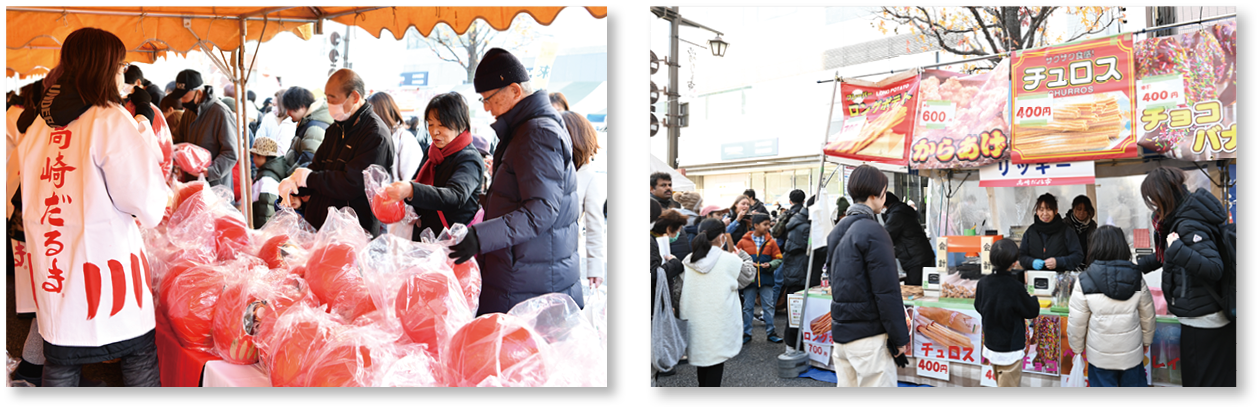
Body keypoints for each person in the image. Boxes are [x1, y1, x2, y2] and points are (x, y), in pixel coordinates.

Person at [16, 27, 167, 387]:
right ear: (105, 67)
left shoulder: (39, 123)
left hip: (58, 272)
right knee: (138, 359)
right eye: (121, 65)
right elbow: (146, 203)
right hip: (108, 270)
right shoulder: (109, 119)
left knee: (62, 362)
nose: (123, 74)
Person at [444, 48, 583, 314]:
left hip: (530, 278)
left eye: (489, 99)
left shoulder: (537, 133)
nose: (485, 107)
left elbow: (541, 211)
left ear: (515, 91)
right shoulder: (525, 129)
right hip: (525, 269)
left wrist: (481, 235)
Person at [1135, 166, 1232, 387]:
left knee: (1200, 381)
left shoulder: (1188, 223)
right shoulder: (1184, 217)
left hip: (1205, 321)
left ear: (1163, 195)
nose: (1153, 206)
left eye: (1153, 199)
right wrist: (1135, 266)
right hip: (1202, 316)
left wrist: (1178, 249)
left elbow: (1213, 267)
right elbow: (1166, 256)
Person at [277, 68, 394, 237]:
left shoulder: (375, 135)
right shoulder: (335, 129)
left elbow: (353, 184)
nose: (329, 104)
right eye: (327, 98)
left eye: (333, 99)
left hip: (351, 233)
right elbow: (317, 166)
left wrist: (309, 179)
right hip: (321, 226)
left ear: (354, 97)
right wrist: (296, 186)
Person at [825, 165, 908, 387]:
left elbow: (833, 281)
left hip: (842, 336)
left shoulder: (837, 230)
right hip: (868, 339)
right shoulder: (874, 231)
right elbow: (887, 291)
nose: (885, 197)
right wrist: (900, 338)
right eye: (884, 191)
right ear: (874, 194)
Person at [379, 92, 484, 240]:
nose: (435, 131)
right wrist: (402, 189)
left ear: (461, 124)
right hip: (424, 239)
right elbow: (420, 181)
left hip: (450, 244)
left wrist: (411, 189)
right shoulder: (432, 150)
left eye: (442, 125)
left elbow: (455, 196)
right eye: (431, 124)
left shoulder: (469, 159)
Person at [1068, 225, 1156, 387]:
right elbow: (1148, 315)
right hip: (1132, 356)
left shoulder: (1085, 279)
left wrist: (1077, 349)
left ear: (1095, 247)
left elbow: (1077, 321)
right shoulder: (1136, 276)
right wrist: (1146, 342)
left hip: (1100, 359)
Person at [680, 219, 758, 387]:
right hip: (719, 319)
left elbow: (679, 288)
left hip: (694, 319)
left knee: (702, 360)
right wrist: (743, 256)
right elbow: (748, 277)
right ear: (722, 237)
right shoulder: (729, 260)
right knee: (716, 362)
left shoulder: (689, 260)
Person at [974, 239, 1041, 387]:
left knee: (1001, 382)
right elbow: (1032, 311)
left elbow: (978, 306)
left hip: (991, 344)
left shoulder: (983, 283)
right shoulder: (1015, 287)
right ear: (1014, 262)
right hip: (1010, 348)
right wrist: (1034, 298)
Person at [168, 69, 238, 189]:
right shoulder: (188, 113)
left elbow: (230, 153)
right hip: (191, 184)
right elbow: (179, 139)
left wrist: (209, 171)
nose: (182, 102)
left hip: (215, 187)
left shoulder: (221, 113)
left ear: (199, 93)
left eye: (184, 97)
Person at [561, 111, 606, 288]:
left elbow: (595, 226)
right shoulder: (545, 168)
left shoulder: (589, 177)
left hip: (567, 256)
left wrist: (595, 268)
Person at [781, 195, 822, 352]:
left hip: (799, 273)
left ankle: (795, 346)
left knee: (797, 312)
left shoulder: (800, 222)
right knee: (796, 313)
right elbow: (817, 250)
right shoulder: (806, 227)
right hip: (800, 275)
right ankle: (792, 347)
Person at [736, 214, 783, 344]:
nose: (768, 227)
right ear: (755, 226)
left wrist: (771, 265)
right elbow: (736, 257)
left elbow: (778, 259)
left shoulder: (771, 242)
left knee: (768, 306)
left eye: (769, 224)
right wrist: (745, 264)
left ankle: (771, 332)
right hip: (749, 279)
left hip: (766, 278)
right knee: (748, 307)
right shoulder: (743, 242)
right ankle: (746, 333)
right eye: (765, 224)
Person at [1018, 193, 1084, 273]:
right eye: (1041, 210)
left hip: (1059, 279)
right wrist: (1031, 262)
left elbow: (1078, 256)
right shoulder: (1030, 231)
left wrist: (1058, 262)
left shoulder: (1066, 231)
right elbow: (1021, 256)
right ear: (1037, 212)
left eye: (1049, 209)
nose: (1045, 213)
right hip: (1035, 278)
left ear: (1055, 211)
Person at [366, 92, 423, 184]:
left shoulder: (405, 138)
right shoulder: (370, 137)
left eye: (371, 113)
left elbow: (408, 178)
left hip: (396, 194)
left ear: (383, 113)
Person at [882, 192, 935, 286]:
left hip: (915, 259)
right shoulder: (904, 211)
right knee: (924, 287)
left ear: (886, 204)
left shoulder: (896, 214)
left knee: (915, 290)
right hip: (921, 255)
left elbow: (885, 237)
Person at [280, 86, 333, 174]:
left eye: (290, 108)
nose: (287, 113)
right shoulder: (307, 121)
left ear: (302, 106)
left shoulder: (314, 128)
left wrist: (289, 176)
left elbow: (308, 160)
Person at [653, 210, 690, 316]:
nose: (678, 233)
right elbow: (655, 274)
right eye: (678, 230)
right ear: (669, 229)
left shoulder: (660, 241)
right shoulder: (653, 243)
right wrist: (675, 263)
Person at [249, 137, 287, 228]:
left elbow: (267, 208)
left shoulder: (267, 178)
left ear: (262, 156)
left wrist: (263, 234)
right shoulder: (265, 174)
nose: (253, 159)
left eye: (254, 156)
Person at [1067, 195, 1098, 267]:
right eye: (1079, 209)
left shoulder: (1092, 226)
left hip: (1088, 266)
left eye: (1085, 210)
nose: (1082, 212)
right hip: (1069, 265)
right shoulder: (1065, 224)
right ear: (1073, 209)